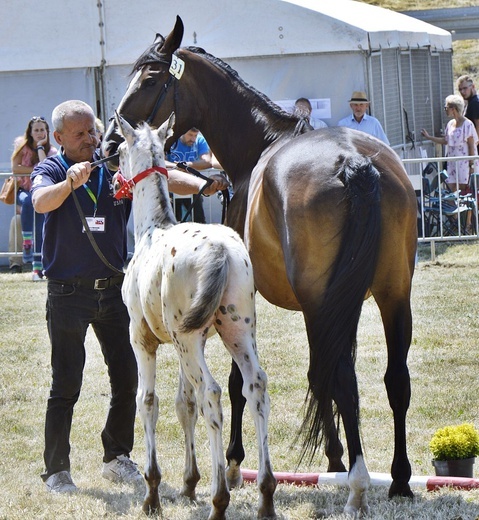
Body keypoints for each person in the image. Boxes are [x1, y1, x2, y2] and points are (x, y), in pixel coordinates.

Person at [31, 100, 229, 494]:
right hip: (68, 293)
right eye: (80, 134)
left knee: (126, 377)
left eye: (93, 130)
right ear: (59, 139)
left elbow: (164, 174)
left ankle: (117, 456)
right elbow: (40, 201)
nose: (91, 139)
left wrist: (203, 185)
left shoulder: (114, 165)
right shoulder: (51, 169)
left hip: (113, 290)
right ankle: (57, 470)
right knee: (66, 381)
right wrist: (69, 182)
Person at [11, 116, 58, 280]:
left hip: (41, 193)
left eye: (42, 130)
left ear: (47, 132)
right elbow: (15, 168)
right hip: (24, 190)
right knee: (26, 201)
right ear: (30, 132)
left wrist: (39, 148)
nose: (39, 133)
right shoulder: (21, 146)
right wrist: (34, 169)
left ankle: (37, 269)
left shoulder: (51, 151)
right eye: (36, 130)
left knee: (41, 227)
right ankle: (27, 242)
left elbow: (46, 168)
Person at [421, 94, 479, 195]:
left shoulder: (467, 124)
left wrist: (471, 164)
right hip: (452, 162)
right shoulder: (450, 124)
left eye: (446, 107)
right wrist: (429, 137)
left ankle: (466, 210)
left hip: (464, 162)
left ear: (453, 108)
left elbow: (471, 144)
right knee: (451, 189)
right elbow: (446, 140)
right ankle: (454, 210)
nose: (445, 110)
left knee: (464, 190)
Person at [166, 128, 213, 223]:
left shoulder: (200, 141)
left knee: (199, 219)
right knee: (172, 220)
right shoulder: (171, 141)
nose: (193, 139)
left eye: (195, 135)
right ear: (182, 133)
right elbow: (161, 161)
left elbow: (207, 162)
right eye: (190, 135)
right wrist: (176, 166)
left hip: (192, 185)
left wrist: (187, 165)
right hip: (172, 185)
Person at [457, 75, 479, 152]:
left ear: (472, 86)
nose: (462, 92)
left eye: (465, 88)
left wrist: (472, 148)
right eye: (460, 89)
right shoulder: (471, 102)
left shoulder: (475, 103)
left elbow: (478, 126)